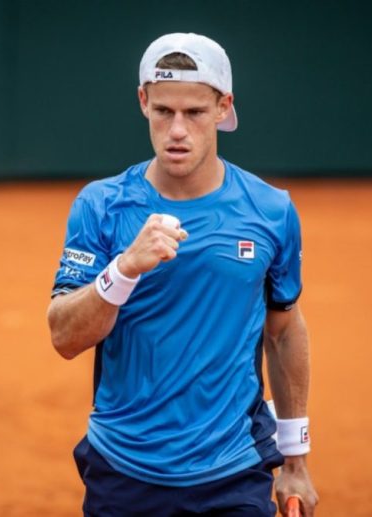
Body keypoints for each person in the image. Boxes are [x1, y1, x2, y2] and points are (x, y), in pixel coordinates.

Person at [47, 32, 318, 517]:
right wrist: (124, 268)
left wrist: (295, 460)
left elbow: (283, 332)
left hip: (235, 471)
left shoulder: (271, 210)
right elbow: (64, 336)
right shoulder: (102, 205)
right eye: (163, 111)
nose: (177, 130)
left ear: (223, 107)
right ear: (142, 102)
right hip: (123, 470)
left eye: (194, 112)